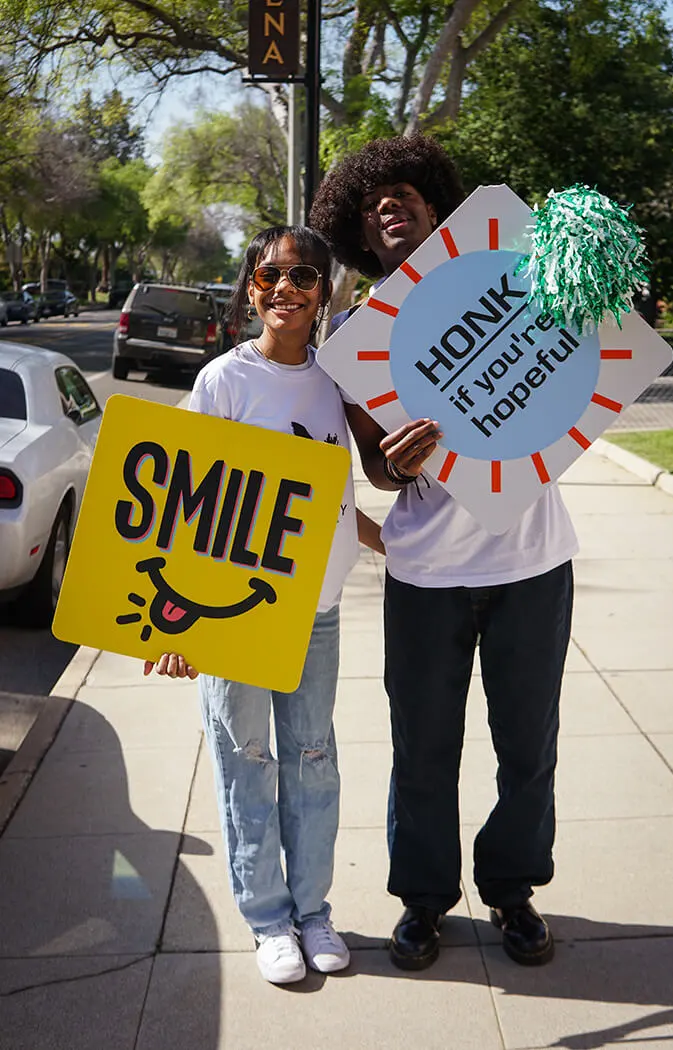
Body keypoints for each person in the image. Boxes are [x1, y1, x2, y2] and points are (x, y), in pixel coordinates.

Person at [310, 134, 577, 969]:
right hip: (425, 574)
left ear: (433, 206)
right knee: (422, 749)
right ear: (361, 233)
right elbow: (376, 471)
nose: (387, 206)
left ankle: (513, 893)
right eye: (369, 203)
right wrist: (400, 459)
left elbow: (570, 381)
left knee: (527, 748)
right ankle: (423, 903)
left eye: (402, 193)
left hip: (534, 562)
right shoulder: (353, 339)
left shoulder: (516, 284)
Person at [145, 225, 383, 985]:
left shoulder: (334, 381)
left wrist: (404, 534)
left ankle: (314, 911)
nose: (285, 288)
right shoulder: (222, 382)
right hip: (231, 619)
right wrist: (169, 622)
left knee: (313, 760)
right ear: (250, 290)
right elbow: (181, 510)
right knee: (245, 760)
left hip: (315, 610)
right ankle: (268, 918)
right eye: (269, 275)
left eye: (302, 276)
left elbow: (329, 493)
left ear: (324, 294)